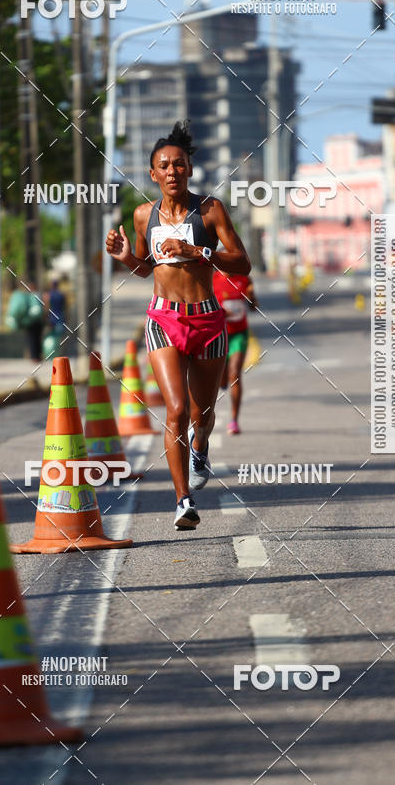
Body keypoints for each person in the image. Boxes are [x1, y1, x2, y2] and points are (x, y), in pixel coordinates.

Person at [105, 120, 251, 532]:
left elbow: (242, 262)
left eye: (179, 164)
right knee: (176, 408)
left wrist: (199, 250)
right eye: (164, 166)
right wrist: (123, 257)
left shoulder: (210, 210)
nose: (172, 171)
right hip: (163, 319)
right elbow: (143, 268)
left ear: (190, 169)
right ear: (153, 174)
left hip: (207, 319)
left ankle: (201, 446)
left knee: (202, 413)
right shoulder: (141, 216)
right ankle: (182, 499)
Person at [213, 266, 258, 435]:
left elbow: (253, 307)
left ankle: (234, 421)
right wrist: (221, 312)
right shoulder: (213, 280)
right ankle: (222, 381)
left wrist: (252, 297)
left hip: (239, 334)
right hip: (219, 334)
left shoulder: (243, 279)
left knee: (235, 374)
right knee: (221, 380)